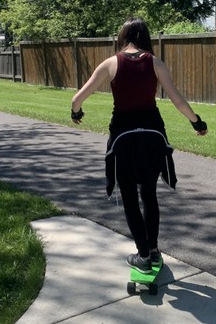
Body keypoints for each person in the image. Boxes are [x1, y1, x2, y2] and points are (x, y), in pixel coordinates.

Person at [71, 18, 208, 274]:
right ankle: (153, 250)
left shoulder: (111, 63)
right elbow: (177, 100)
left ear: (122, 36)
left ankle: (143, 255)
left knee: (130, 197)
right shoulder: (155, 62)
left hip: (123, 137)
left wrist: (76, 113)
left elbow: (77, 98)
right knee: (149, 194)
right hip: (153, 136)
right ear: (145, 37)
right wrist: (196, 122)